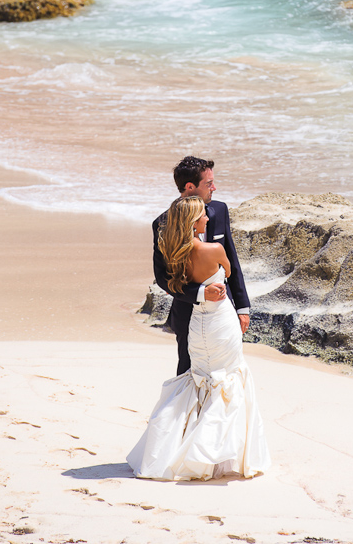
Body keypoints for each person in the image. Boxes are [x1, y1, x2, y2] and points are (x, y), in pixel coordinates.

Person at [128, 196, 270, 480]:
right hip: (220, 322)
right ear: (194, 222)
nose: (208, 218)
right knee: (230, 377)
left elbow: (171, 281)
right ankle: (216, 454)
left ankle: (183, 447)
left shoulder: (173, 252)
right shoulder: (213, 248)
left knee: (200, 377)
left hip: (197, 324)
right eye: (203, 215)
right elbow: (228, 271)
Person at [152, 156, 250, 375]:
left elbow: (232, 260)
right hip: (187, 313)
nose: (214, 187)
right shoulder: (162, 224)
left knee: (226, 371)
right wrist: (201, 293)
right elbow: (162, 277)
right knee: (189, 373)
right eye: (208, 183)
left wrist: (242, 308)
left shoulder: (220, 210)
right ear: (190, 187)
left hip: (223, 312)